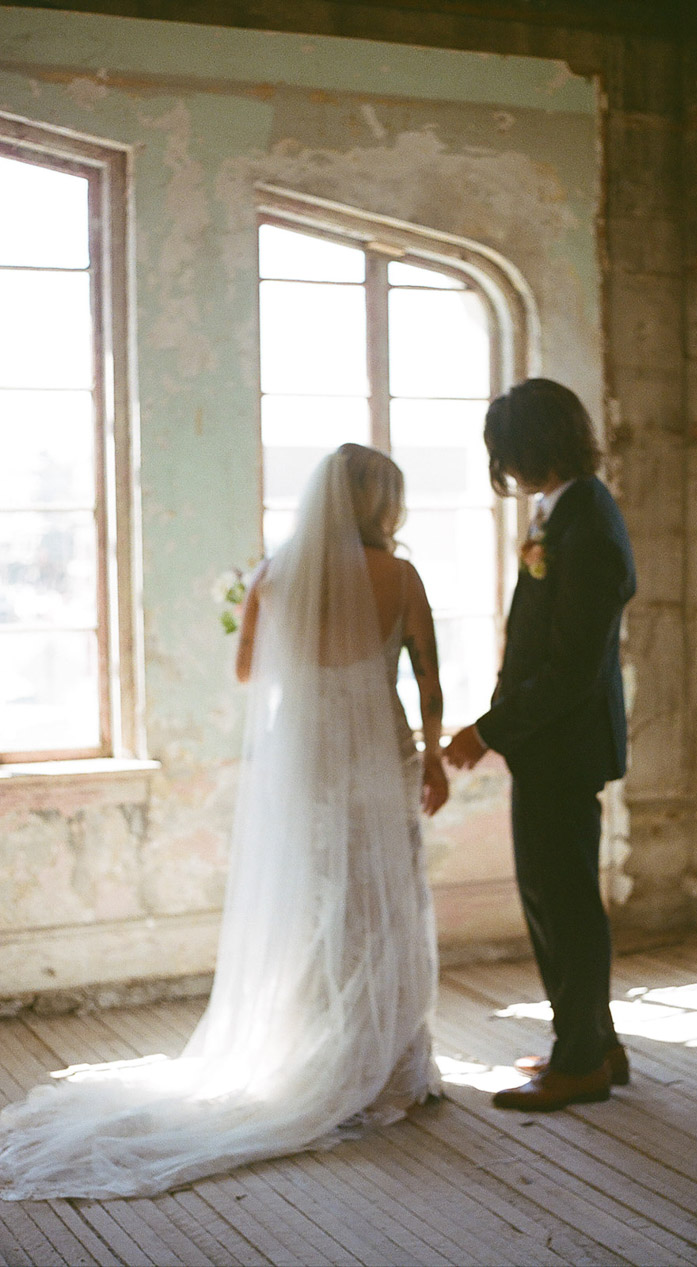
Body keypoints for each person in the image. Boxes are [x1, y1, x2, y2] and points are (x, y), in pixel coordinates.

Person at [0, 443, 447, 1199]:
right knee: (387, 903)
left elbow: (247, 672)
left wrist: (284, 629)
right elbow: (429, 678)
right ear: (378, 504)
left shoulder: (278, 575)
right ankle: (388, 1069)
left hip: (304, 759)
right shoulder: (399, 577)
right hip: (378, 758)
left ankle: (319, 1051)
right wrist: (435, 755)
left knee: (316, 905)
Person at [446, 379, 636, 1113]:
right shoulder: (563, 512)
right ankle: (595, 1042)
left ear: (531, 445)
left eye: (508, 451)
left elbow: (570, 667)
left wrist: (490, 729)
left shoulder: (586, 522)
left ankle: (580, 1059)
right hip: (551, 745)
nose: (506, 467)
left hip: (565, 744)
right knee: (552, 895)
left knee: (564, 903)